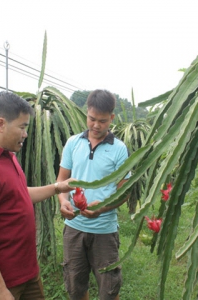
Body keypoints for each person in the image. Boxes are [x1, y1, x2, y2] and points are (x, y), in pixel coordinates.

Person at [0, 91, 75, 300]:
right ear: (1, 124)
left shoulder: (8, 156)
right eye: (22, 127)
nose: (25, 134)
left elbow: (20, 195)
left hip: (27, 273)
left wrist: (59, 187)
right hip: (4, 283)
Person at [57, 89, 131, 300]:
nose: (96, 125)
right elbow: (61, 182)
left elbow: (125, 191)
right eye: (92, 119)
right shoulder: (73, 143)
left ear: (112, 118)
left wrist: (104, 206)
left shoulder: (119, 149)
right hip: (74, 229)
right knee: (75, 287)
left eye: (103, 121)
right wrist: (63, 202)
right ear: (86, 113)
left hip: (104, 231)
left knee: (109, 289)